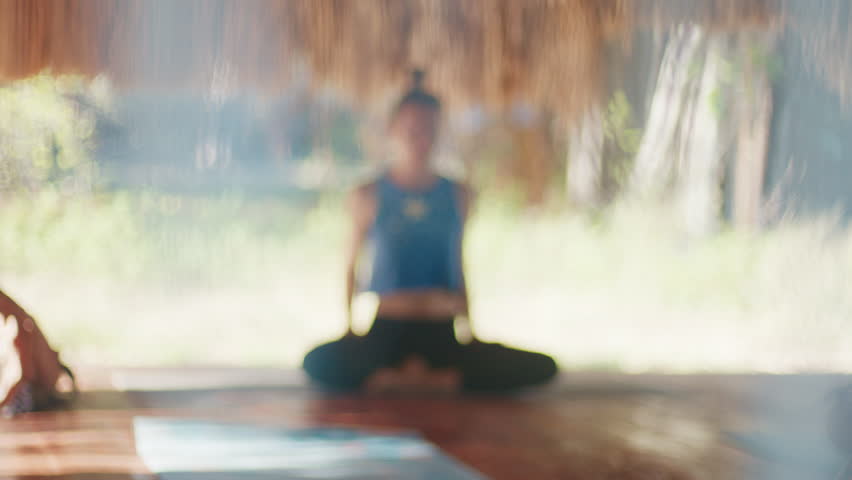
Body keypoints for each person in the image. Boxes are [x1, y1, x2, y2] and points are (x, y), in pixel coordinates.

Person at [302, 72, 557, 393]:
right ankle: (436, 382)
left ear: (438, 133)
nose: (419, 138)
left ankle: (404, 382)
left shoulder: (459, 194)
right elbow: (351, 264)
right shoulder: (368, 194)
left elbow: (458, 263)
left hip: (442, 329)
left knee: (542, 367)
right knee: (317, 362)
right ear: (393, 130)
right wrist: (350, 328)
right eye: (411, 129)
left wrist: (470, 330)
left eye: (428, 130)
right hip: (387, 330)